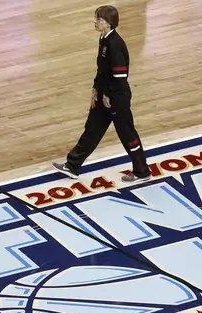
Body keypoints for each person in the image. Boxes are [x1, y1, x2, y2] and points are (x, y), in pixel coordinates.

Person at [52, 5, 151, 184]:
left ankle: (142, 171)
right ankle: (72, 165)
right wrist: (95, 89)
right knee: (92, 129)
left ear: (109, 23)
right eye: (96, 18)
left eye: (99, 19)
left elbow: (120, 76)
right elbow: (102, 70)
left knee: (127, 134)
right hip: (105, 94)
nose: (95, 22)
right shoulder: (103, 39)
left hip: (117, 98)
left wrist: (108, 95)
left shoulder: (115, 44)